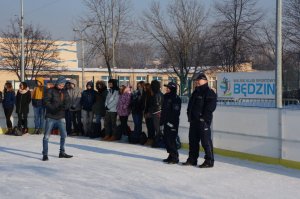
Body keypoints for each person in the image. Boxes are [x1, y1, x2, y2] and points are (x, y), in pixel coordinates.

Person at [183, 73, 217, 168]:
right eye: (196, 80)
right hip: (194, 121)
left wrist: (203, 118)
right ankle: (192, 159)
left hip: (203, 122)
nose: (197, 81)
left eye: (199, 80)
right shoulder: (195, 92)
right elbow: (191, 106)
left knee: (206, 142)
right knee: (193, 141)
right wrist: (189, 115)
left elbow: (210, 107)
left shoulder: (209, 92)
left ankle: (209, 161)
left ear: (205, 81)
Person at [42, 76, 73, 161]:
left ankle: (62, 152)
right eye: (60, 84)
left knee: (64, 135)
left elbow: (68, 102)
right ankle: (45, 154)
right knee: (46, 136)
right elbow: (46, 101)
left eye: (63, 84)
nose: (62, 86)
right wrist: (53, 109)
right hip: (50, 116)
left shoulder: (65, 92)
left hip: (61, 116)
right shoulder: (50, 90)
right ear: (57, 83)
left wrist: (63, 107)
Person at [161, 82, 181, 164]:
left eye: (168, 88)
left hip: (172, 122)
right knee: (166, 139)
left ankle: (175, 157)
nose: (166, 89)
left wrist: (171, 122)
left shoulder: (176, 98)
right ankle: (170, 155)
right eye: (166, 87)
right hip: (165, 121)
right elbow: (163, 110)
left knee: (171, 140)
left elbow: (176, 112)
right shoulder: (165, 96)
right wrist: (162, 120)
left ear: (173, 89)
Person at [150, 80, 164, 146]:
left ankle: (158, 142)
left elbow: (157, 105)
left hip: (157, 113)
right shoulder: (159, 93)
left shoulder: (157, 94)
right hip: (158, 112)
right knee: (157, 129)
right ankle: (157, 141)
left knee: (157, 129)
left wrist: (151, 112)